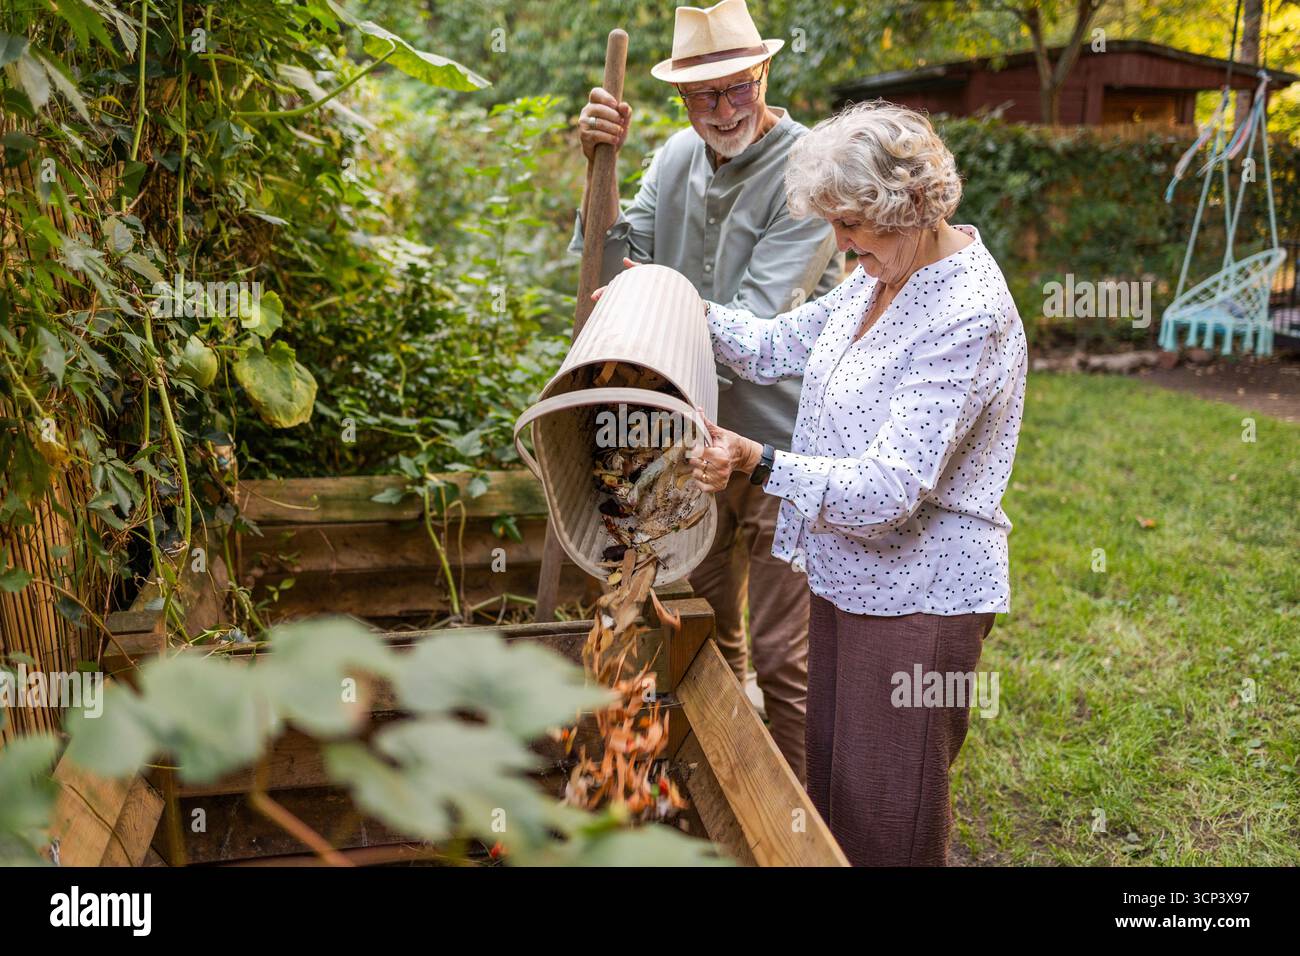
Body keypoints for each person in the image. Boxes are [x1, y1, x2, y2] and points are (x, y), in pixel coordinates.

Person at [686, 101, 1028, 865]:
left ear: (907, 206)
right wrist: (679, 301)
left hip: (921, 596)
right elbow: (776, 346)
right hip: (849, 577)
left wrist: (759, 460)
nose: (839, 242)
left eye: (852, 224)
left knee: (889, 826)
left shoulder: (965, 312)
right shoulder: (881, 276)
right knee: (837, 798)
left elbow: (889, 490)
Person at [573, 0, 841, 783]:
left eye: (738, 88)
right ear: (681, 97)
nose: (723, 110)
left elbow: (757, 327)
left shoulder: (808, 173)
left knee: (784, 656)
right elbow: (608, 269)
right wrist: (603, 166)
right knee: (714, 628)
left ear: (764, 73)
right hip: (688, 442)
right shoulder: (669, 159)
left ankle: (804, 827)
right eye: (703, 95)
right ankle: (733, 789)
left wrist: (652, 293)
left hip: (781, 444)